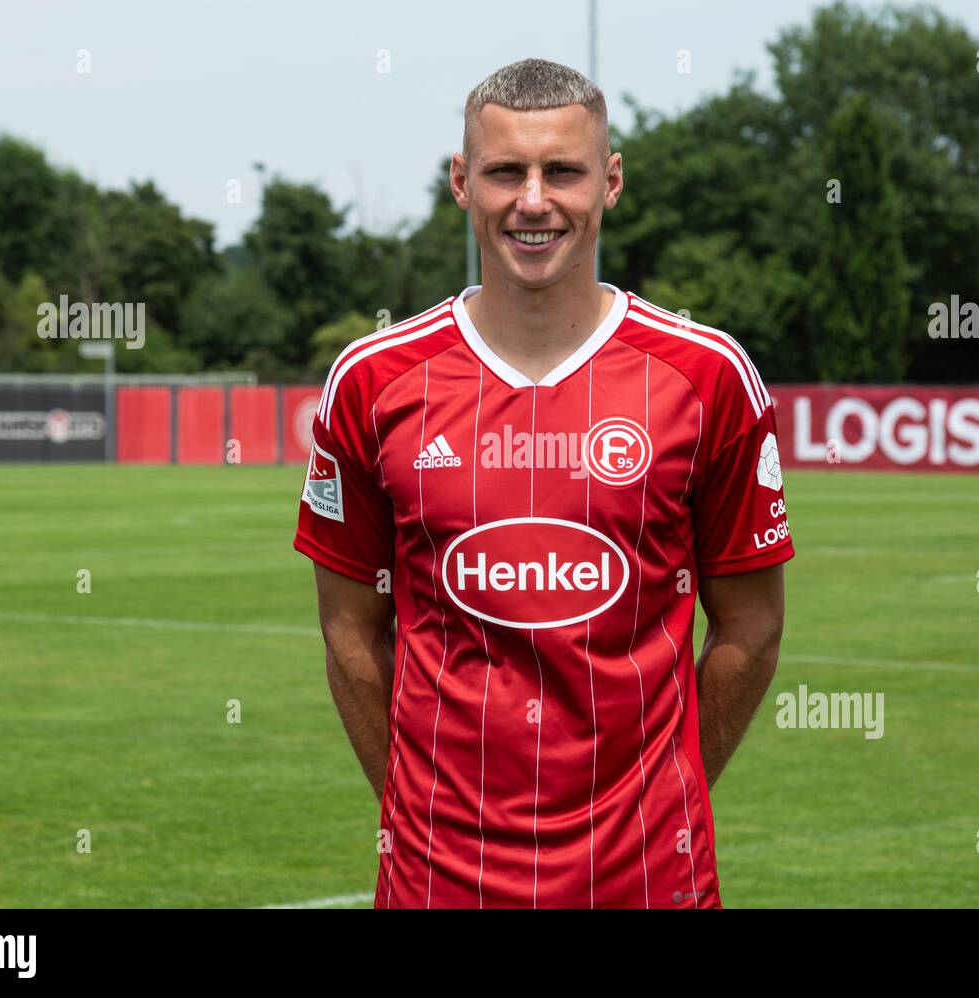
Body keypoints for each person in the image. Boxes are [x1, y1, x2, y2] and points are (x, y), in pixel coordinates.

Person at [293, 57, 793, 908]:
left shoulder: (706, 375)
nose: (533, 200)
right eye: (504, 171)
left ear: (611, 182)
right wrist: (419, 811)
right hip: (436, 882)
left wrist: (663, 799)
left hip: (649, 878)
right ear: (461, 182)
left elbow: (750, 628)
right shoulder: (372, 380)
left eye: (562, 170)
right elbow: (351, 636)